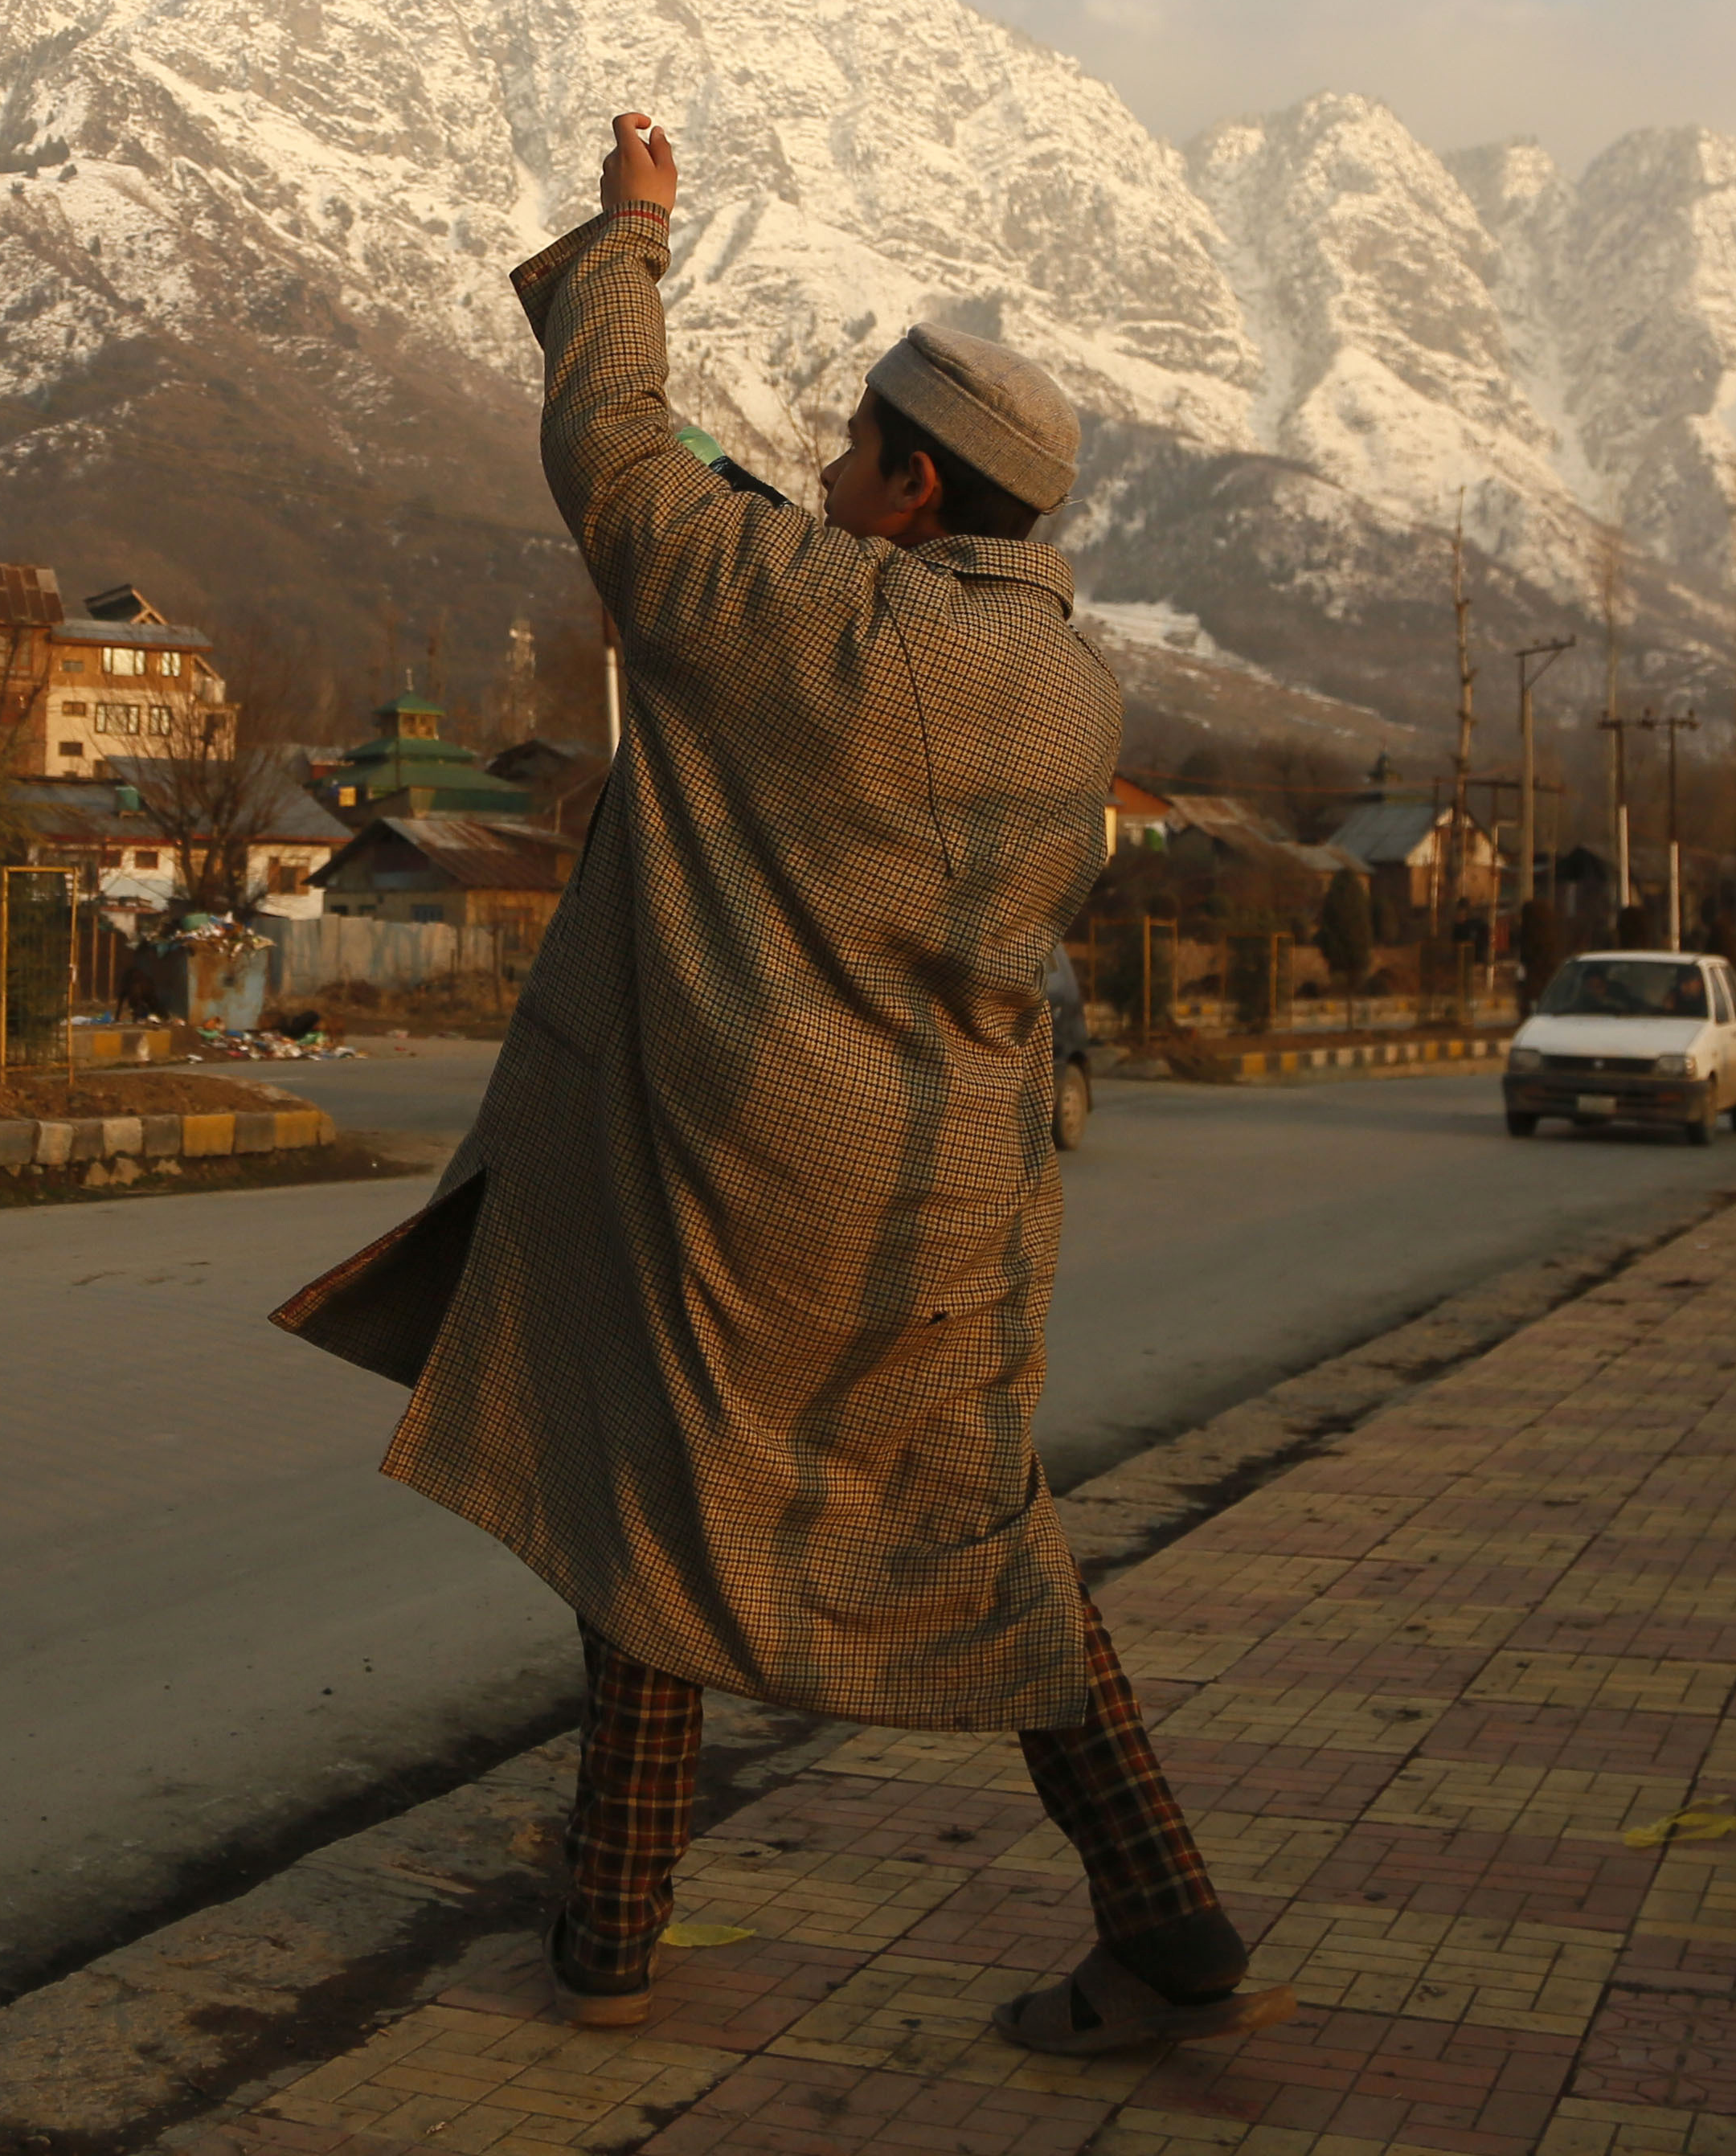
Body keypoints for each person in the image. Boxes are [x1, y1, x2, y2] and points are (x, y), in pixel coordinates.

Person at [276, 112, 1287, 2056]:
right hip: (948, 1193)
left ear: (910, 489)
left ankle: (610, 1933)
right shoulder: (1076, 690)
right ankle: (1158, 1901)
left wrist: (631, 242)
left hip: (746, 1180)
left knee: (660, 1516)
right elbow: (723, 524)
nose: (819, 480)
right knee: (976, 1525)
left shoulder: (821, 623)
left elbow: (621, 468)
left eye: (846, 456)